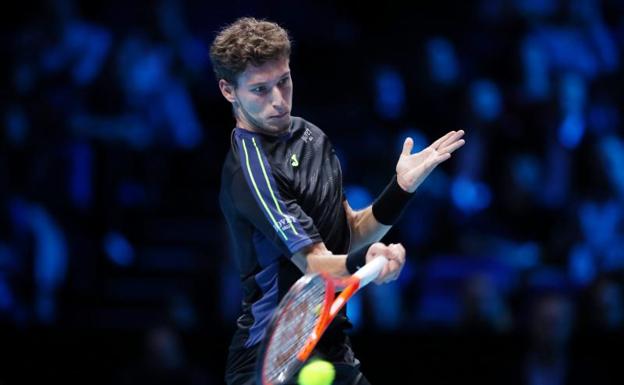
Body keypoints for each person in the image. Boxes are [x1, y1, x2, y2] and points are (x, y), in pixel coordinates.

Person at [211, 17, 465, 385]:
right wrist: (368, 261)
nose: (278, 101)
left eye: (284, 81)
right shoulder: (249, 171)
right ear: (228, 91)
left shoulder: (311, 138)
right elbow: (314, 263)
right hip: (270, 357)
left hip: (330, 340)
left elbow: (348, 235)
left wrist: (400, 188)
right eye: (260, 90)